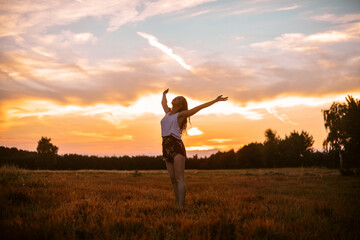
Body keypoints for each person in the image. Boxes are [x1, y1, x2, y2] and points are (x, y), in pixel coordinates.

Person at [160, 88, 228, 209]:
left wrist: (215, 100)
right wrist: (164, 94)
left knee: (179, 178)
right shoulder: (168, 113)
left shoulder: (180, 115)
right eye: (176, 97)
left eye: (179, 98)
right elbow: (163, 103)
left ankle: (181, 206)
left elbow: (199, 108)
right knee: (172, 179)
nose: (176, 98)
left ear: (181, 104)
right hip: (165, 145)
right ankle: (178, 203)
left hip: (176, 145)